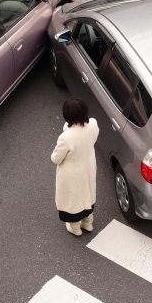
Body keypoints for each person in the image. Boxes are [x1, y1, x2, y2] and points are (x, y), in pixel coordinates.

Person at [51, 97, 100, 236]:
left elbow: (55, 158)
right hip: (88, 167)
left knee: (73, 201)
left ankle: (75, 228)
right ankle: (88, 223)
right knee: (88, 195)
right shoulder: (93, 125)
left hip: (72, 174)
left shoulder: (65, 137)